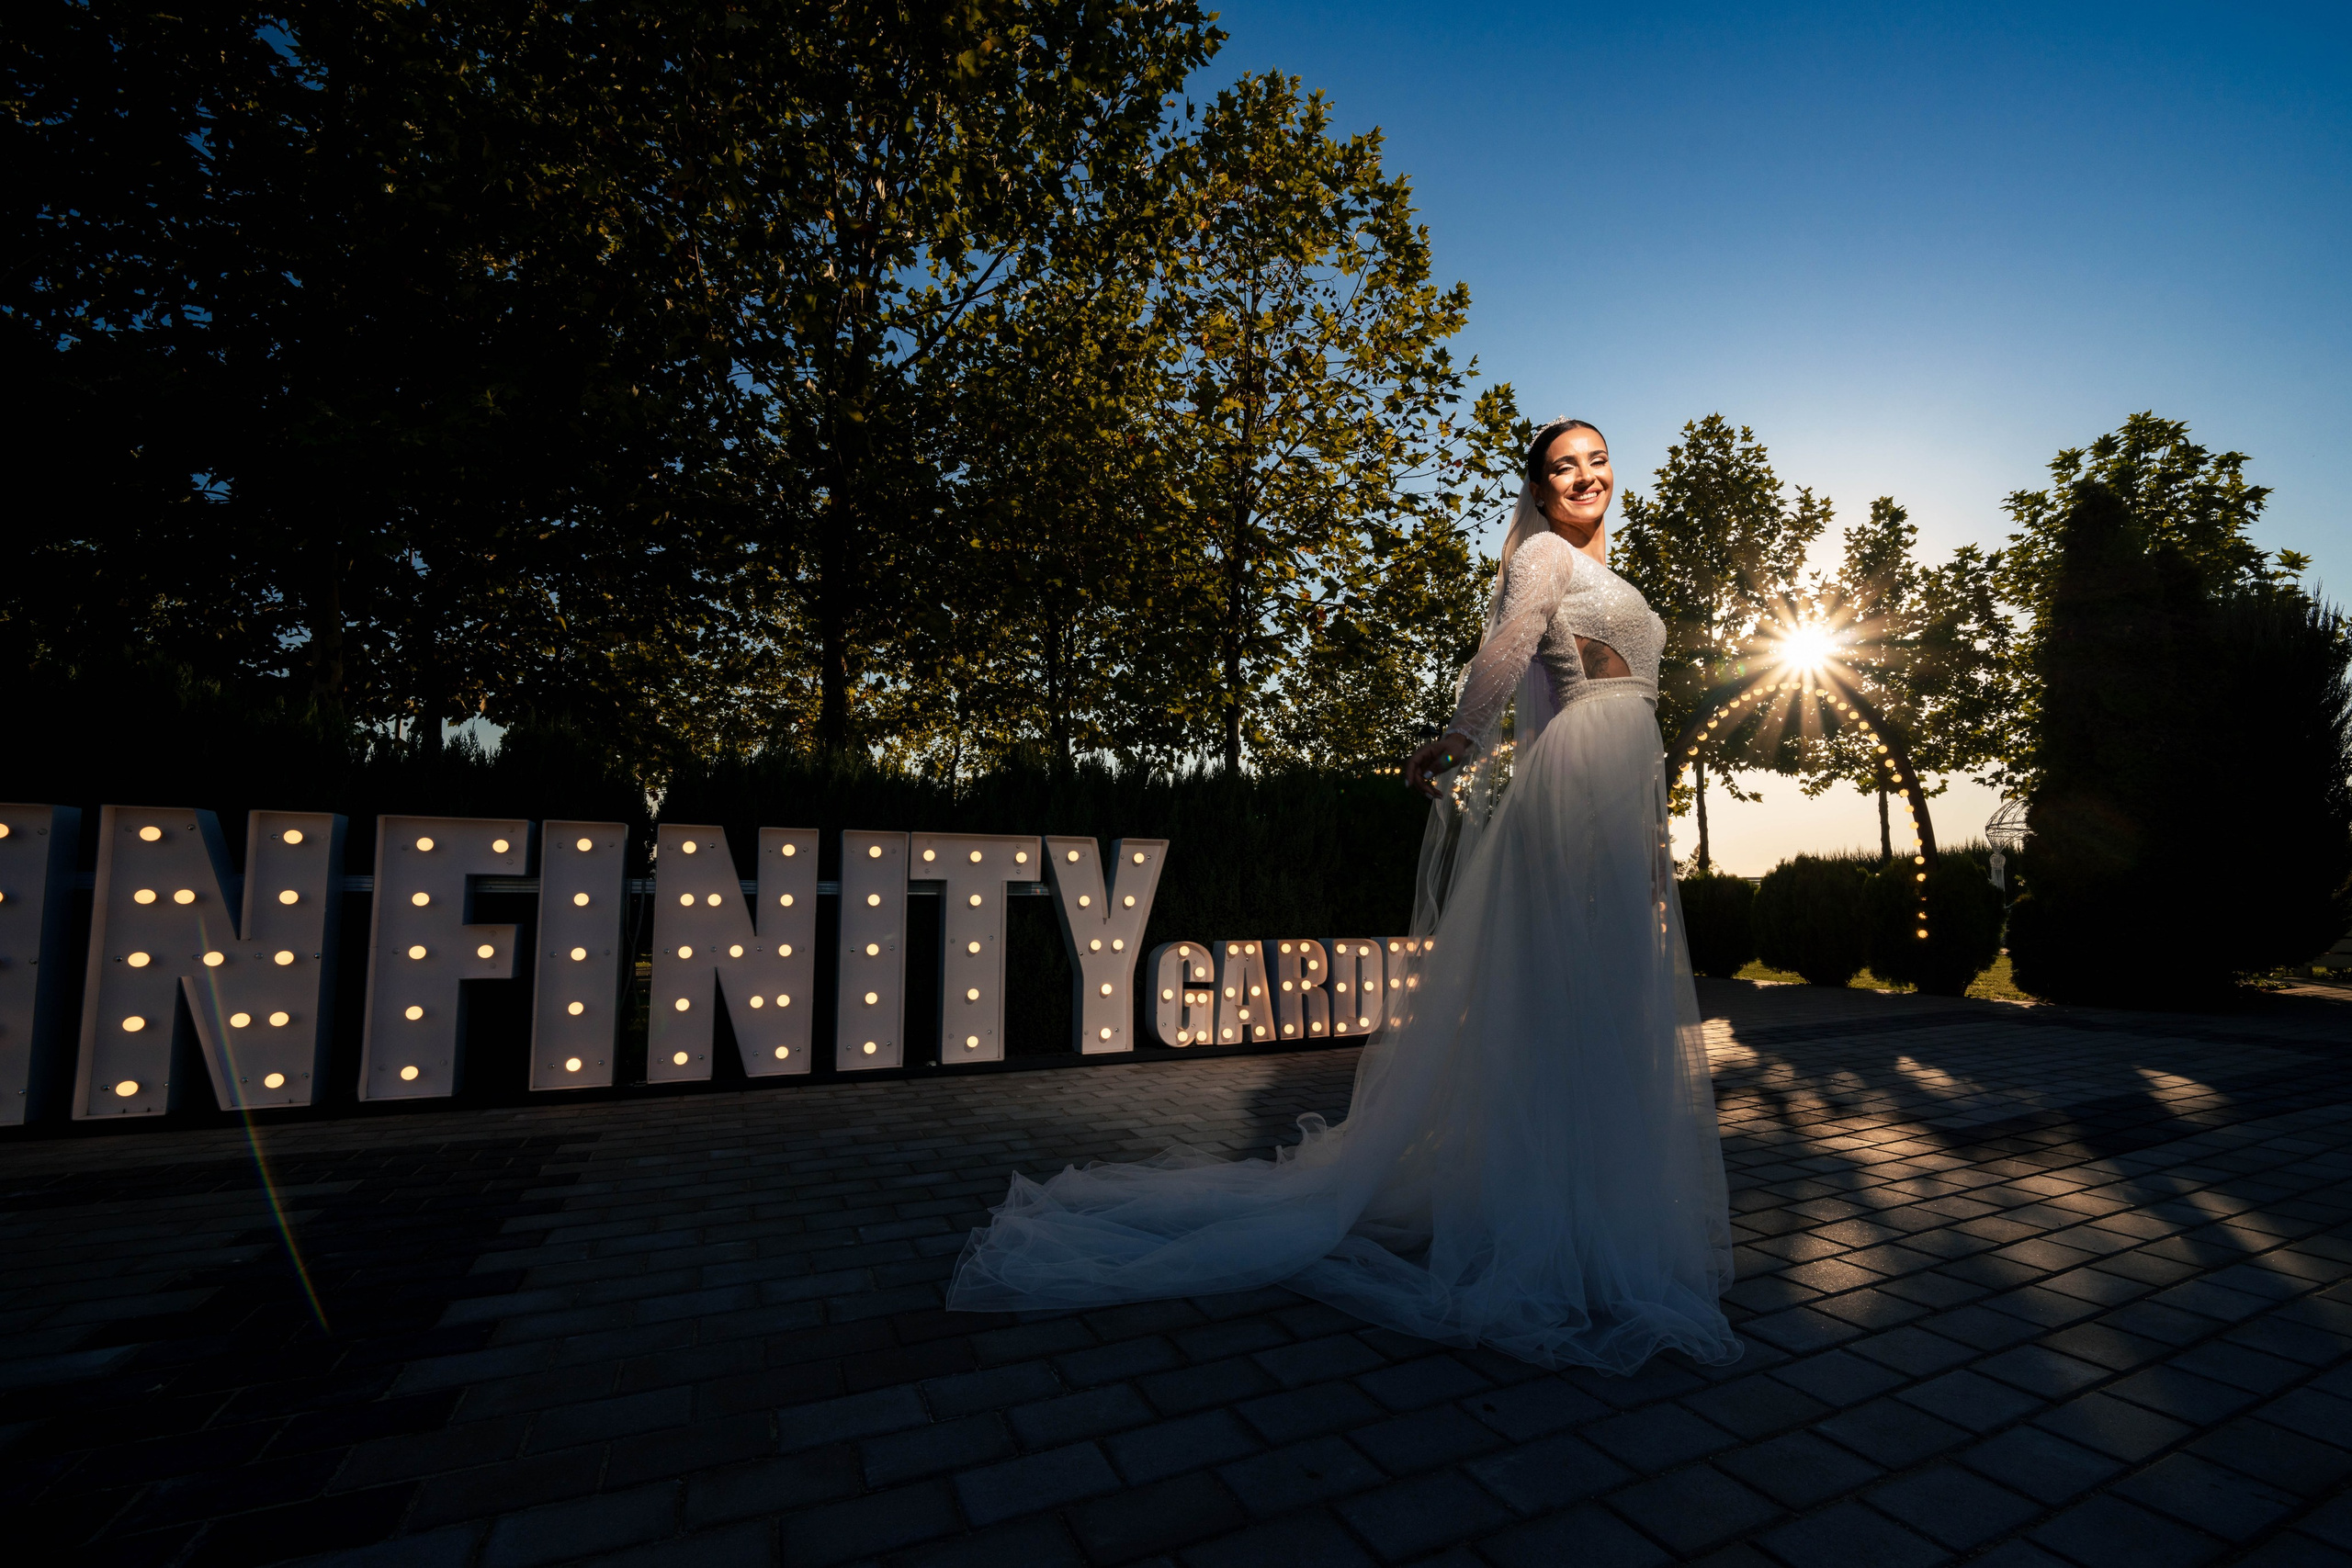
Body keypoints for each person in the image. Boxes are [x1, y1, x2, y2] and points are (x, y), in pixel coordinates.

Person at [946, 419, 1739, 1373]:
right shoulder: (1537, 555)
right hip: (1576, 779)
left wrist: (1650, 846)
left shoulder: (1615, 575)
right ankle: (1555, 1234)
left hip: (1621, 792)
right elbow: (1512, 643)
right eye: (1563, 465)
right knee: (1567, 999)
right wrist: (1460, 733)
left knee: (1607, 1000)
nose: (1585, 476)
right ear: (1537, 486)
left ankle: (1597, 1216)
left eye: (1596, 460)